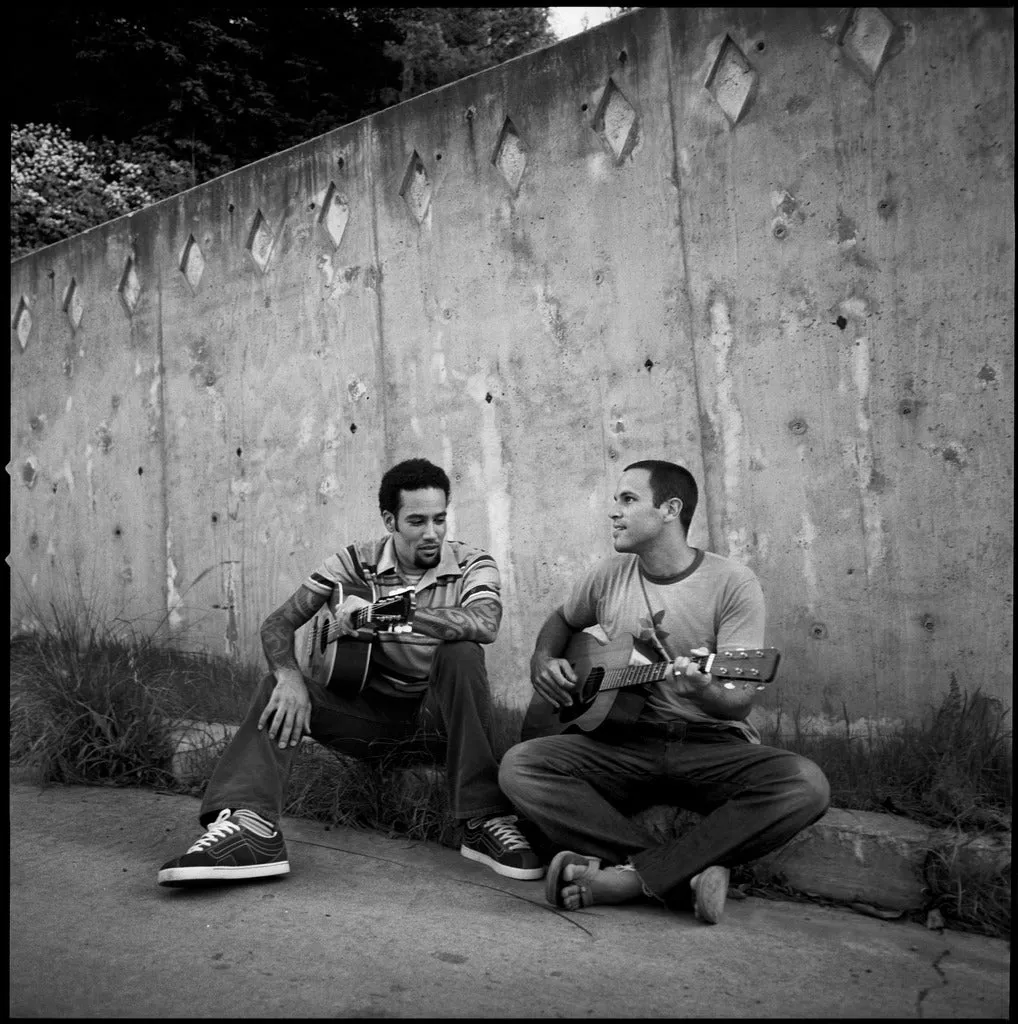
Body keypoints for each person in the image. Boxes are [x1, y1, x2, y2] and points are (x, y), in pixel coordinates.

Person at [159, 458, 543, 886]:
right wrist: (290, 678)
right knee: (276, 687)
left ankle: (482, 820)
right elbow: (278, 624)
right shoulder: (354, 561)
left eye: (439, 519)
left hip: (442, 721)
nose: (432, 532)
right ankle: (251, 827)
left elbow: (485, 624)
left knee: (462, 653)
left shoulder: (472, 562)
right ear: (389, 520)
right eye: (416, 521)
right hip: (370, 720)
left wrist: (385, 614)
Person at [498, 459, 830, 924]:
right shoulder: (608, 574)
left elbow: (739, 700)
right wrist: (543, 661)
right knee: (521, 766)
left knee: (806, 784)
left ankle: (628, 879)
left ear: (670, 509)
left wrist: (701, 691)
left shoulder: (731, 583)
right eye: (616, 500)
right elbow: (561, 621)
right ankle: (678, 876)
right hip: (620, 747)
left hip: (709, 746)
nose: (614, 512)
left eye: (628, 500)